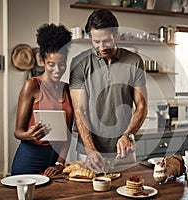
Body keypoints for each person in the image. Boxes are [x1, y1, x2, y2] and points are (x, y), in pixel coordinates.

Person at [69, 9, 148, 172]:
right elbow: (80, 110)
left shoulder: (134, 61)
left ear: (116, 35)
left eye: (106, 40)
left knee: (128, 192)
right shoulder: (79, 63)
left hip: (124, 150)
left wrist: (127, 135)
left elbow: (142, 106)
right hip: (89, 152)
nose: (101, 47)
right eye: (96, 41)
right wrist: (90, 150)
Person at [11, 23, 73, 176]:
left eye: (62, 64)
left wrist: (60, 163)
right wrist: (29, 135)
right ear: (44, 61)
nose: (57, 70)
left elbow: (68, 133)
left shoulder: (68, 89)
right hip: (30, 157)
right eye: (51, 64)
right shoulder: (32, 86)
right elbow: (18, 131)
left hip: (54, 161)